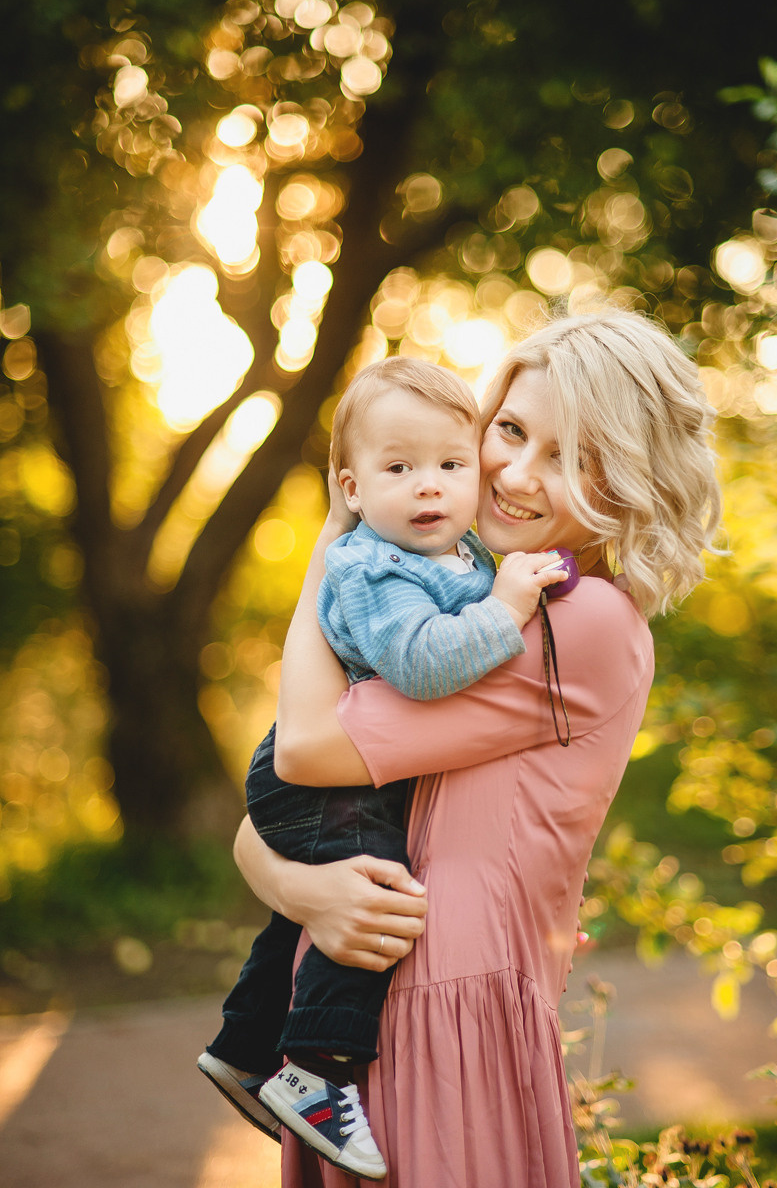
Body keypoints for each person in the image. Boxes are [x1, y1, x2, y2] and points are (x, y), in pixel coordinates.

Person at [233, 308, 723, 1188]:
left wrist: (329, 553)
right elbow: (287, 800)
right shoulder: (464, 602)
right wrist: (289, 883)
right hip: (369, 995)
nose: (514, 473)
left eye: (569, 458)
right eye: (509, 430)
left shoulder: (580, 622)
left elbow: (305, 748)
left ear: (628, 485)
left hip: (445, 1004)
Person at [199, 357, 570, 1179]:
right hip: (319, 771)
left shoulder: (451, 551)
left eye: (449, 464)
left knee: (315, 907)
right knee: (376, 888)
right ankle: (316, 1070)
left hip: (341, 764)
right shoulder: (376, 567)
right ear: (351, 488)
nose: (428, 487)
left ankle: (242, 1043)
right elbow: (419, 667)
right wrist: (507, 606)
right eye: (398, 469)